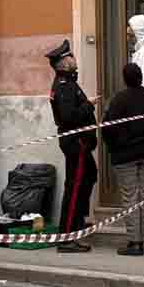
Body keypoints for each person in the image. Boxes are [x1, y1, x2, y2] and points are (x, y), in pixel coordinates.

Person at [103, 63, 144, 256]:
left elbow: (108, 128)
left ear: (124, 79)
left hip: (125, 156)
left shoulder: (118, 100)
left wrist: (114, 146)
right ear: (140, 77)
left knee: (130, 197)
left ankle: (134, 242)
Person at [45, 40, 98, 253]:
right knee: (74, 189)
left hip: (79, 142)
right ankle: (67, 236)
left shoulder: (67, 83)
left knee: (89, 176)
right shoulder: (65, 86)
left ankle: (77, 223)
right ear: (65, 63)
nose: (75, 59)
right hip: (76, 143)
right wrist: (88, 105)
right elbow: (68, 117)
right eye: (71, 56)